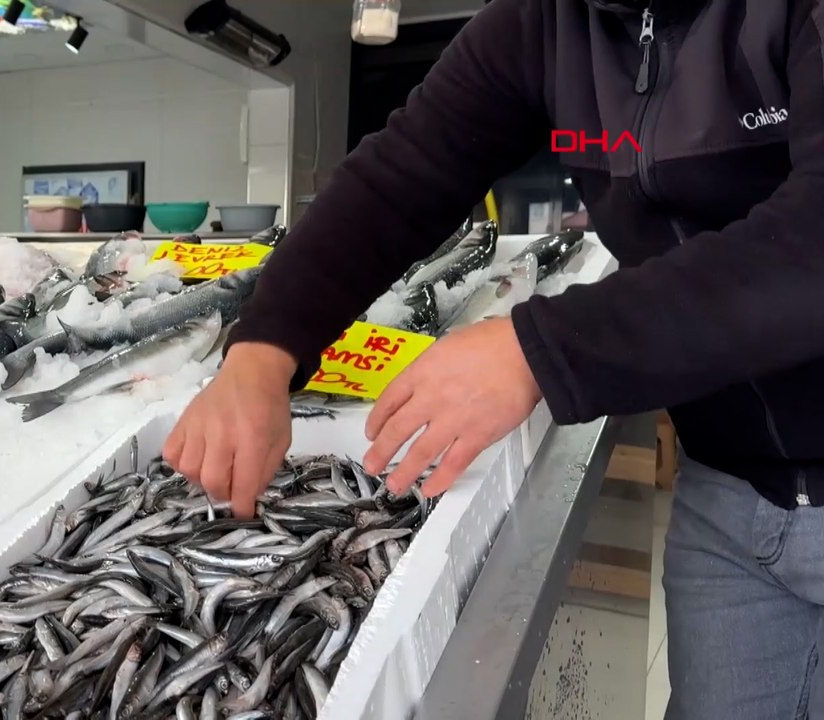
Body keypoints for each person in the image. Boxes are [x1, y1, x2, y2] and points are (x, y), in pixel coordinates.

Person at [163, 0, 824, 717]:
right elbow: (398, 178)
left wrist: (542, 349)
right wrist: (264, 351)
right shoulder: (543, 22)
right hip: (726, 499)